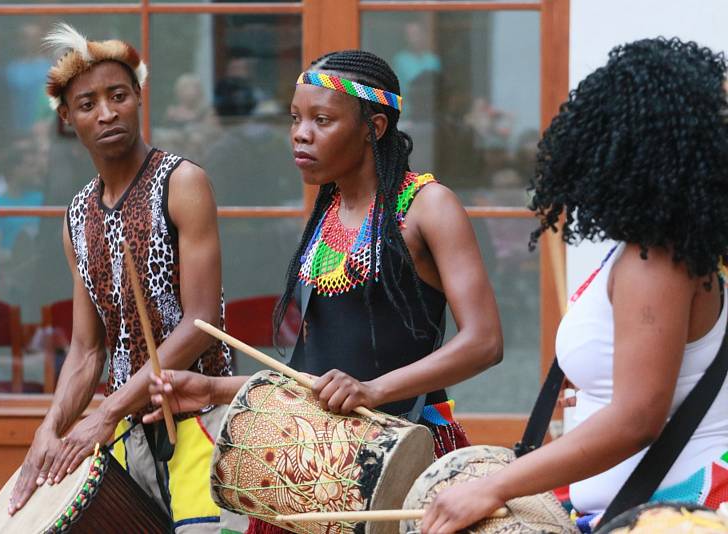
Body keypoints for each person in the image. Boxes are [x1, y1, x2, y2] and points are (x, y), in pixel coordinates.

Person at [145, 49, 504, 533]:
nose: (301, 132)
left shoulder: (427, 206)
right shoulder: (328, 210)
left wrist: (374, 389)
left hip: (401, 455)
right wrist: (214, 390)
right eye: (295, 118)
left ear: (373, 128)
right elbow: (311, 377)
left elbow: (484, 341)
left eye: (322, 119)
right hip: (309, 460)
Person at [421, 38, 728, 534]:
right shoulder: (659, 248)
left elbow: (637, 420)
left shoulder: (656, 261)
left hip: (671, 514)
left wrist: (493, 485)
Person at [7, 23, 245, 533]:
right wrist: (49, 431)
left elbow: (200, 320)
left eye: (118, 96)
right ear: (68, 119)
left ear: (138, 97)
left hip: (205, 420)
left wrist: (107, 410)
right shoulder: (77, 217)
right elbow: (87, 351)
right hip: (130, 440)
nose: (107, 112)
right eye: (88, 104)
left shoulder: (181, 182)